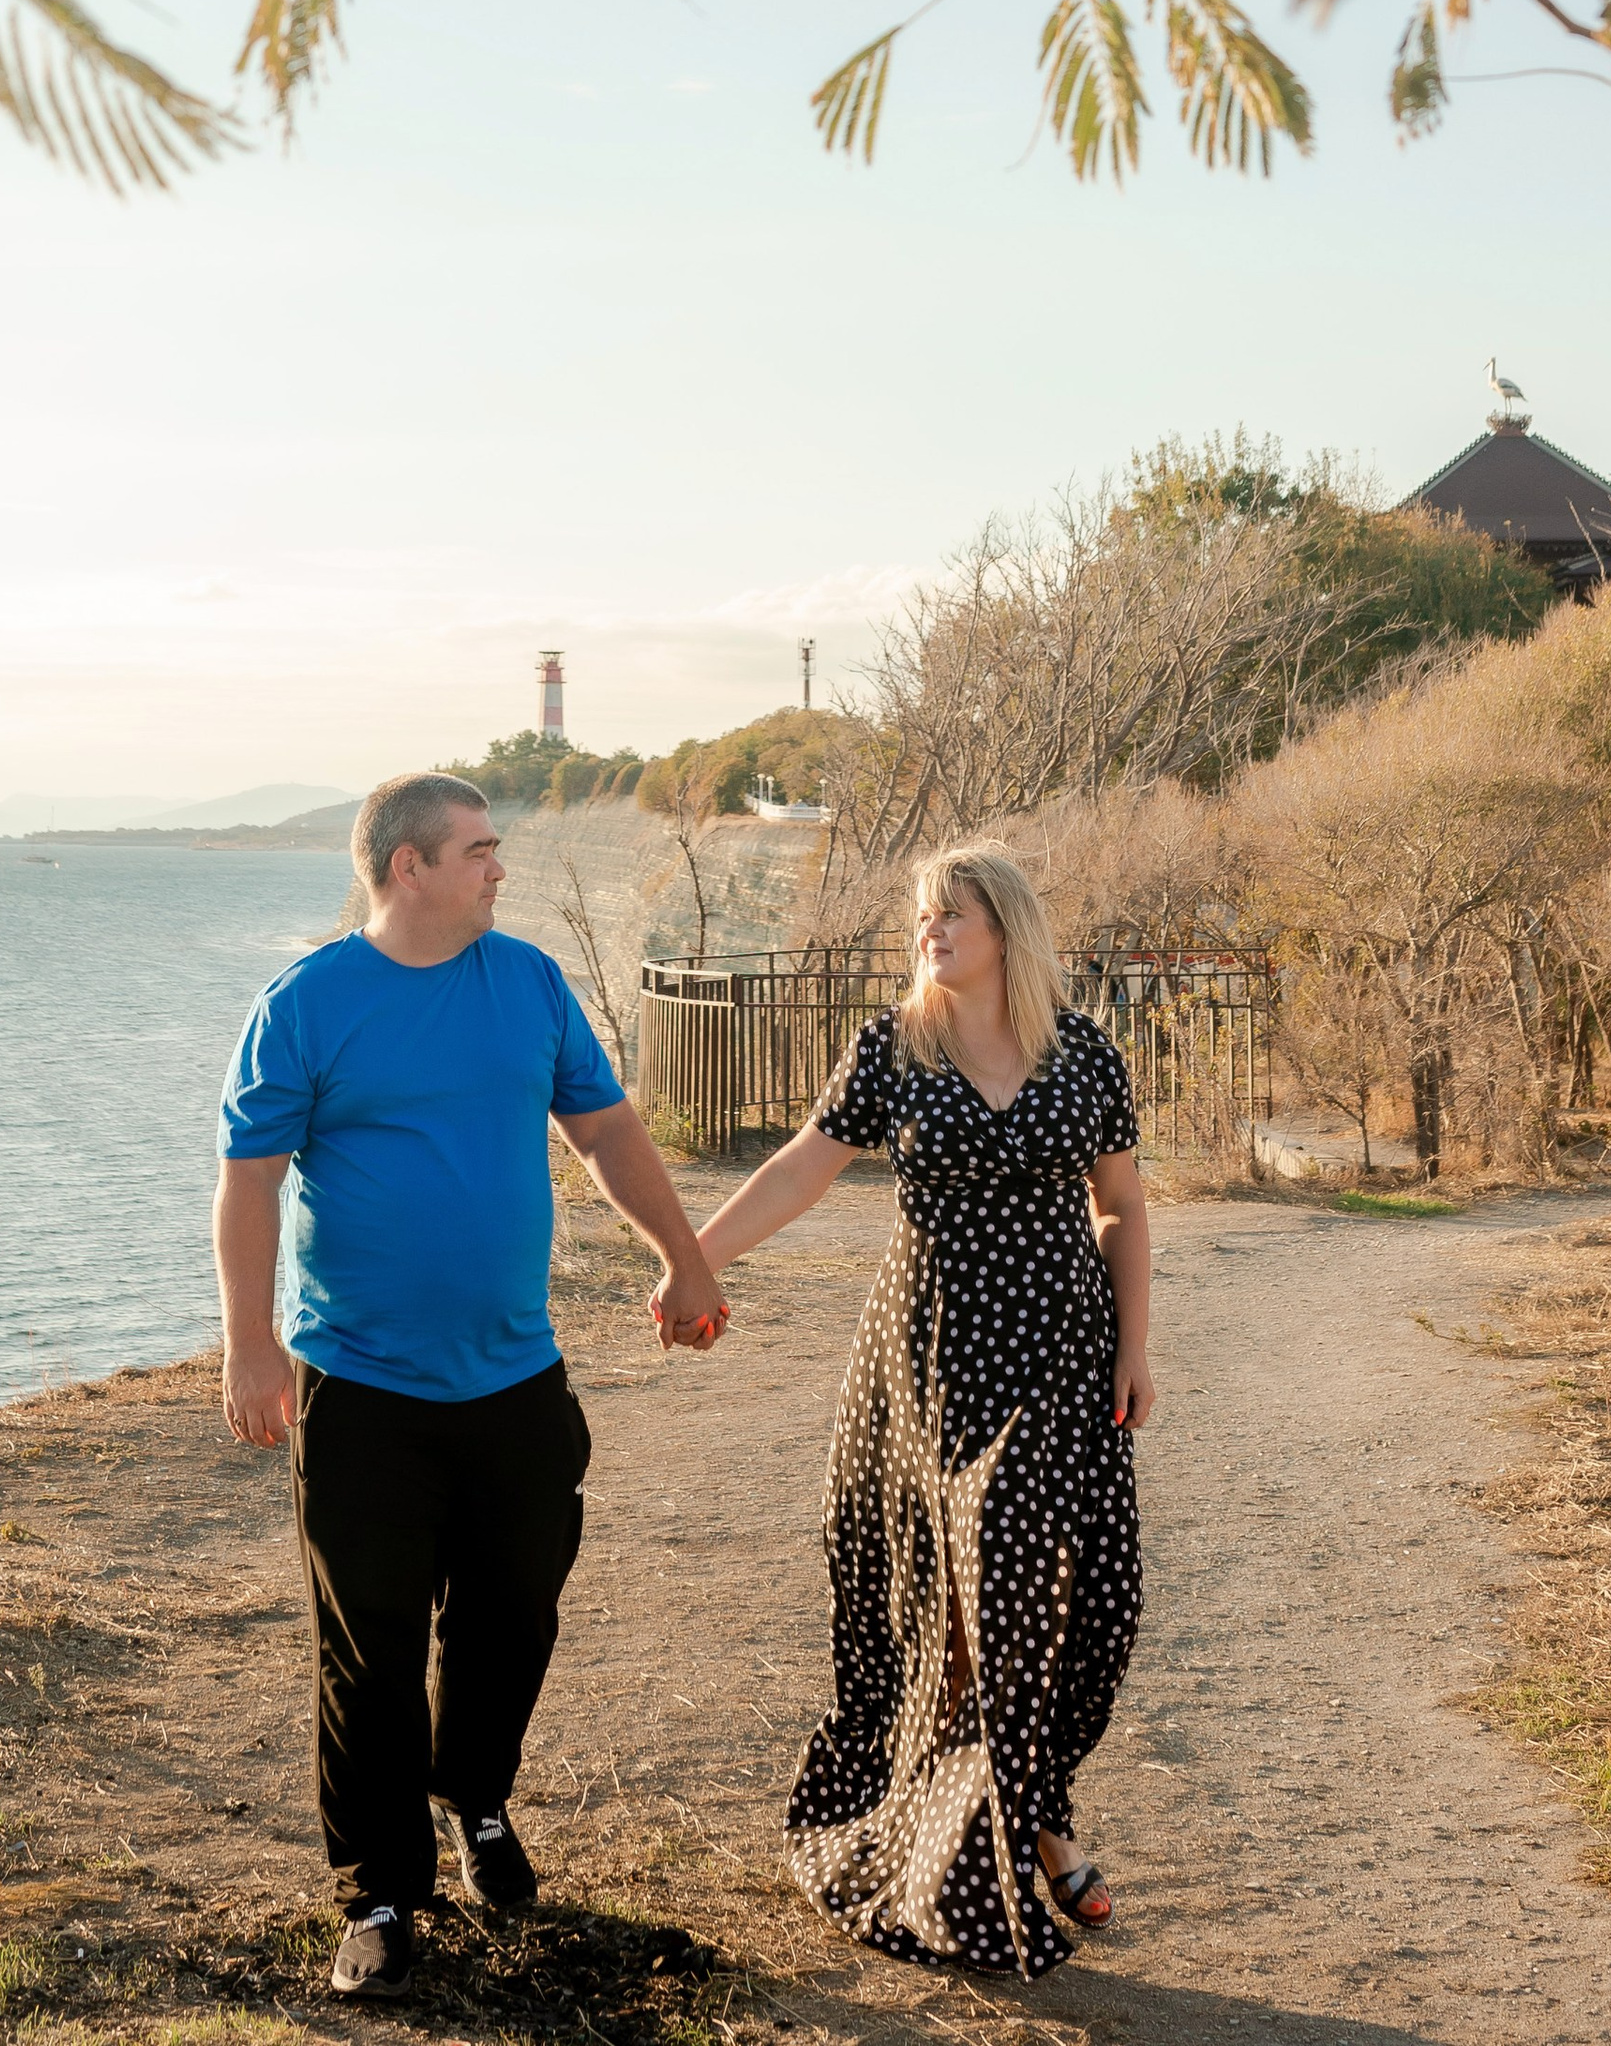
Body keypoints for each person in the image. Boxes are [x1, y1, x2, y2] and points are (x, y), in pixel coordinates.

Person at [215, 770, 729, 2002]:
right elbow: (249, 1183)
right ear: (408, 867)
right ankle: (383, 1891)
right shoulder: (310, 1002)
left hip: (514, 1378)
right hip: (361, 1388)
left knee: (514, 1616)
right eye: (480, 849)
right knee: (370, 1646)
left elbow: (603, 1132)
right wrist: (249, 1345)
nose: (501, 868)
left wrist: (684, 1254)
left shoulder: (530, 984)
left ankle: (473, 1795)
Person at [689, 844, 1152, 1979]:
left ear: (1006, 927)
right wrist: (692, 1260)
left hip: (1057, 1352)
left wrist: (1135, 1349)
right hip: (929, 1359)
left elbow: (1123, 1207)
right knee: (951, 1600)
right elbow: (802, 1169)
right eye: (921, 920)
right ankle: (1018, 1839)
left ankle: (1026, 1812)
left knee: (1052, 1594)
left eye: (950, 916)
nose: (930, 934)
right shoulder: (892, 1049)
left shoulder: (1082, 1053)